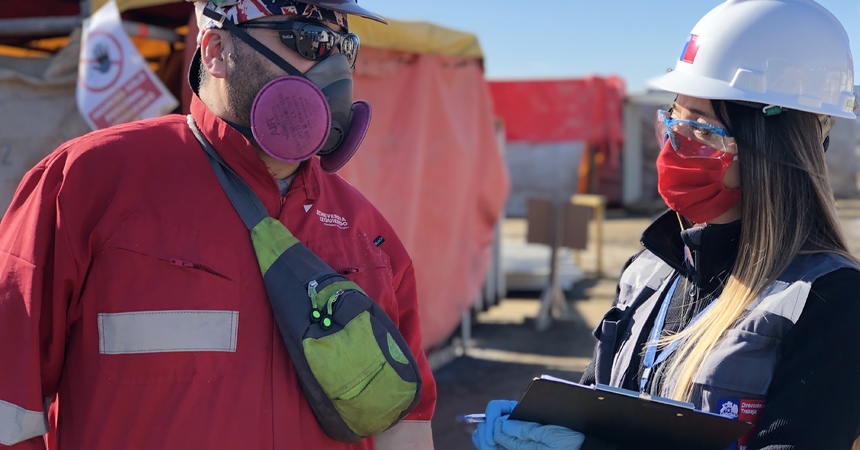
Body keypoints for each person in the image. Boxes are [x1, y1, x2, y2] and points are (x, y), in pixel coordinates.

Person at [0, 1, 436, 449]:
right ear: (214, 50)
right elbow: (8, 407)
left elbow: (405, 426)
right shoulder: (89, 184)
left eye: (345, 47)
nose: (334, 68)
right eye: (311, 40)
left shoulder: (370, 237)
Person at [473, 0, 860, 449]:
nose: (675, 145)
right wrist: (547, 425)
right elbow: (601, 408)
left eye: (702, 130)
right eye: (674, 120)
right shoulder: (649, 270)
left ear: (774, 149)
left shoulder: (831, 301)